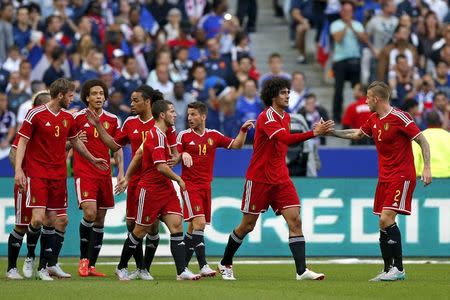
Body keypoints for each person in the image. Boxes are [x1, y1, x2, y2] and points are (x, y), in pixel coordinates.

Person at [217, 77, 333, 280]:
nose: (287, 95)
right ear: (272, 96)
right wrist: (313, 133)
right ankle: (225, 262)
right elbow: (285, 139)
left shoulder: (286, 117)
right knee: (247, 225)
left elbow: (283, 144)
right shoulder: (266, 117)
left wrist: (313, 132)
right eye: (283, 93)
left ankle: (301, 270)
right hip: (259, 178)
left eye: (288, 92)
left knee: (295, 220)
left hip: (280, 178)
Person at [330, 81, 432, 281]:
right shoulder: (373, 119)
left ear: (376, 99)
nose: (365, 101)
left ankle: (399, 269)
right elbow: (357, 134)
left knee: (387, 219)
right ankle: (388, 269)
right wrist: (330, 132)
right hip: (384, 177)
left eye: (367, 97)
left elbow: (422, 140)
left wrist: (426, 166)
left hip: (401, 175)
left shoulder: (400, 117)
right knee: (382, 223)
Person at [14, 78, 108, 281]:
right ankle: (30, 257)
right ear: (60, 96)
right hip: (38, 173)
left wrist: (92, 159)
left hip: (59, 175)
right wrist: (18, 171)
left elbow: (75, 142)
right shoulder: (36, 114)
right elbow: (22, 142)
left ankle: (44, 267)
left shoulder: (68, 117)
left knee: (57, 220)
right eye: (70, 96)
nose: (73, 100)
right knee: (37, 218)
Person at [86, 85, 178, 280]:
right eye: (131, 100)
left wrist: (177, 157)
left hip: (156, 183)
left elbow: (174, 151)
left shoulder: (163, 123)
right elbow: (114, 145)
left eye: (136, 100)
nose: (132, 104)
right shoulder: (130, 123)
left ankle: (144, 268)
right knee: (132, 225)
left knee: (151, 227)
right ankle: (138, 267)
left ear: (148, 102)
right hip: (137, 182)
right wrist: (98, 127)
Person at [114, 100, 200, 281]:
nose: (175, 115)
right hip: (150, 189)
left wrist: (180, 154)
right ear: (162, 115)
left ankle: (181, 270)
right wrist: (179, 179)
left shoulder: (167, 133)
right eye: (171, 111)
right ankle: (121, 267)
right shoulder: (156, 135)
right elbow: (160, 166)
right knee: (140, 231)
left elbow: (159, 155)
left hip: (165, 189)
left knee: (176, 225)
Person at [177, 101, 254, 277]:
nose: (190, 118)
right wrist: (183, 153)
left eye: (194, 114)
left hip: (205, 186)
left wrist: (242, 131)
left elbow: (236, 145)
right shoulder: (183, 136)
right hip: (190, 186)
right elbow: (173, 155)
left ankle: (182, 268)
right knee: (200, 223)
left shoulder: (214, 135)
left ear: (203, 116)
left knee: (193, 229)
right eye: (189, 114)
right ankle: (203, 265)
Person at [75, 79, 124, 277]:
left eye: (101, 94)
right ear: (87, 97)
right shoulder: (77, 118)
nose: (99, 97)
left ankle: (92, 265)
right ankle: (83, 260)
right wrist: (74, 141)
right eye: (94, 93)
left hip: (105, 174)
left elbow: (117, 148)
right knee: (90, 212)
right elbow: (65, 143)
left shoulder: (113, 119)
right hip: (85, 172)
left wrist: (121, 172)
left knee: (100, 218)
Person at [6, 90, 55, 280]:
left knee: (43, 221)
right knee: (21, 225)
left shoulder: (51, 127)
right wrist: (20, 174)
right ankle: (11, 268)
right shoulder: (30, 125)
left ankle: (35, 260)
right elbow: (13, 151)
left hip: (44, 180)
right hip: (26, 182)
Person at [413, 111, 450, 178]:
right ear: (440, 121)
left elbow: (414, 159)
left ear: (426, 122)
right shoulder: (448, 136)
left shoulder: (419, 137)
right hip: (447, 177)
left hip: (425, 178)